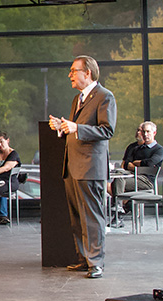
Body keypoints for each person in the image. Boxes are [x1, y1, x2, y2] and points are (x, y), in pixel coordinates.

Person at [48, 55, 116, 279]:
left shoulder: (105, 97)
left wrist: (76, 127)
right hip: (73, 166)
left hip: (90, 168)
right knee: (77, 216)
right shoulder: (77, 99)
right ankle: (84, 259)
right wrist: (61, 127)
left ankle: (96, 262)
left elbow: (107, 131)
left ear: (87, 73)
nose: (70, 75)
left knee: (93, 217)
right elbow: (74, 130)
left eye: (73, 71)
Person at [111, 121, 163, 213]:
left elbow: (151, 163)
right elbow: (127, 165)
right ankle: (120, 208)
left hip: (146, 180)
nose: (145, 134)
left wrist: (136, 163)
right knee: (118, 180)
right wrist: (140, 165)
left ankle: (118, 209)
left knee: (118, 183)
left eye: (148, 132)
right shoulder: (136, 149)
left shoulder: (159, 149)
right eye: (143, 132)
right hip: (132, 177)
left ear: (154, 133)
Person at [0, 132, 21, 225]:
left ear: (7, 141)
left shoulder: (13, 154)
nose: (0, 145)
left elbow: (6, 167)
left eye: (1, 142)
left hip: (10, 181)